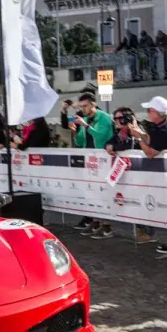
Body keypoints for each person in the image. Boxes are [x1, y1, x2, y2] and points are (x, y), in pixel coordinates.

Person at [128, 96, 167, 255]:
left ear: (157, 113)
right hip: (166, 173)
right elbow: (152, 140)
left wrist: (138, 136)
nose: (147, 112)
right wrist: (140, 133)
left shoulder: (164, 130)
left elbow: (150, 152)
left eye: (149, 110)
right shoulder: (165, 123)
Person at [105, 107, 155, 243]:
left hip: (146, 170)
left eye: (119, 118)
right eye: (114, 118)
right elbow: (109, 143)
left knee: (147, 201)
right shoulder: (120, 132)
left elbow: (131, 145)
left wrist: (115, 147)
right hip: (132, 173)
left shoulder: (140, 128)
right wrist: (110, 145)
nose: (116, 121)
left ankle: (148, 233)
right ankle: (140, 231)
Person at [71, 93, 114, 238]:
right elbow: (80, 142)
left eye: (85, 106)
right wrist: (76, 132)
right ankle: (95, 221)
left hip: (103, 160)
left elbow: (100, 135)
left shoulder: (104, 117)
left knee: (103, 192)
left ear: (93, 104)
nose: (83, 109)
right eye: (81, 106)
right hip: (89, 161)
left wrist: (85, 125)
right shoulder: (87, 120)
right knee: (92, 192)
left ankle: (107, 225)